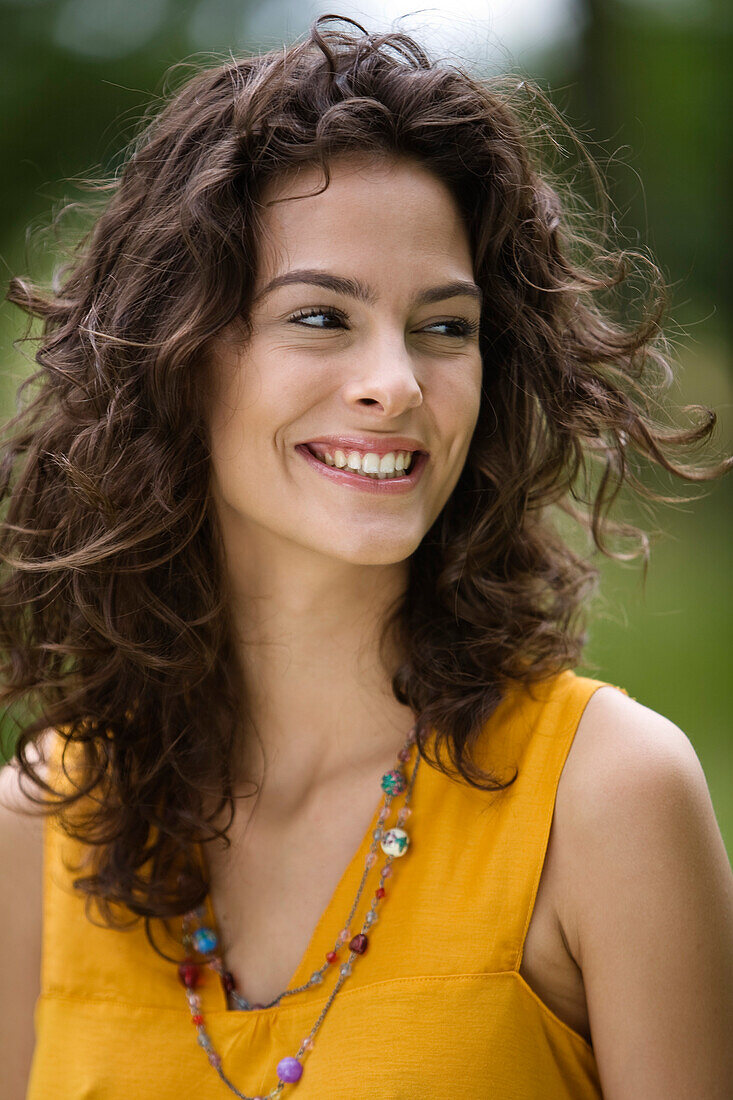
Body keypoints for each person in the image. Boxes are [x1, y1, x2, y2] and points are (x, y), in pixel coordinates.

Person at [1, 14, 731, 1100]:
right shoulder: (43, 816)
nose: (396, 381)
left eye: (444, 328)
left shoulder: (608, 795)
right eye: (320, 315)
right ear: (179, 354)